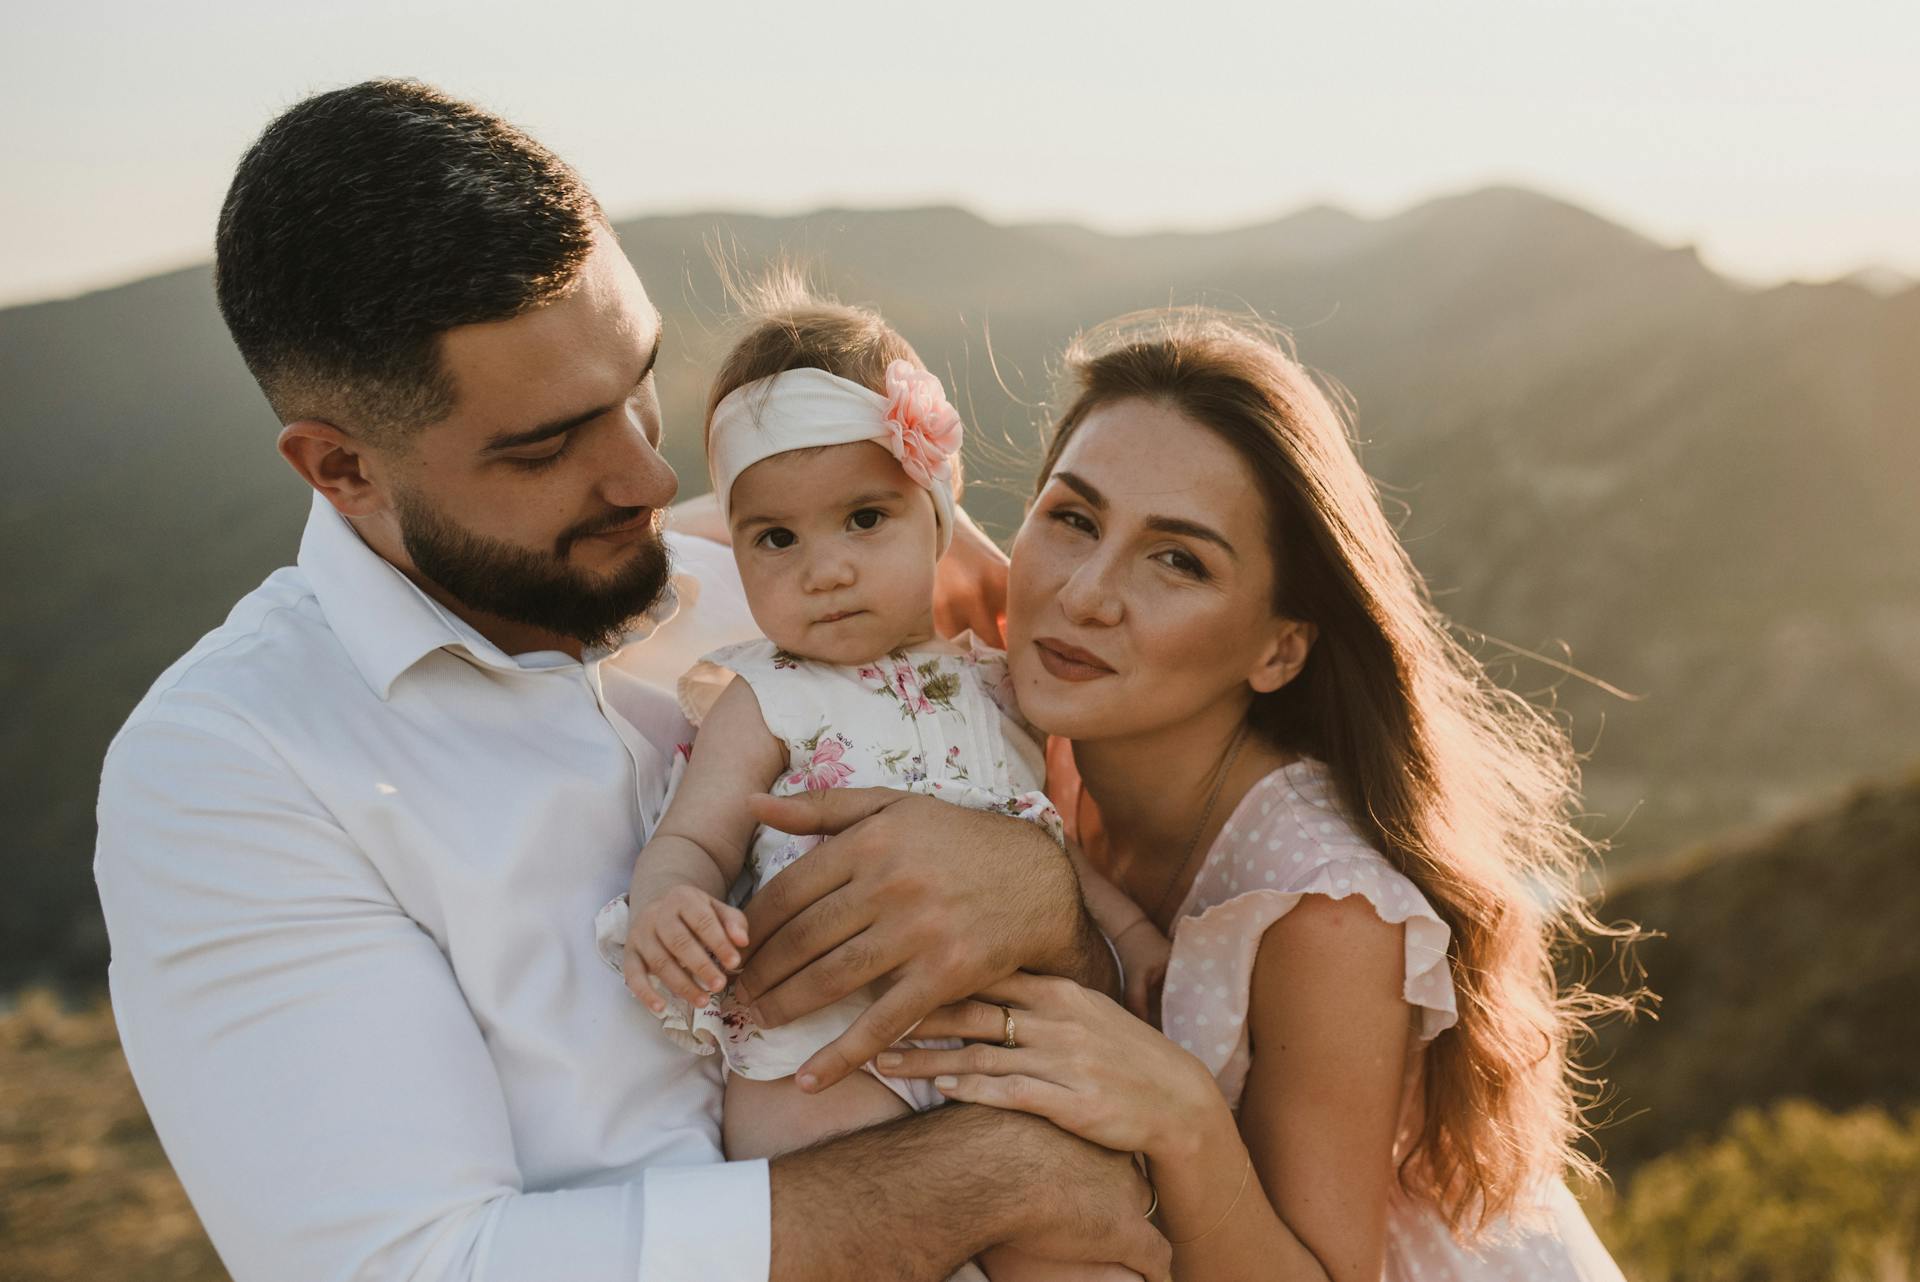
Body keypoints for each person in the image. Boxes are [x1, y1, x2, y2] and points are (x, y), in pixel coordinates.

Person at [91, 79, 1166, 1282]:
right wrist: (987, 1179)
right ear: (341, 466)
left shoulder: (775, 572)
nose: (648, 476)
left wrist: (1044, 902)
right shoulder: (233, 765)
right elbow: (404, 1268)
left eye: (640, 380)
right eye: (549, 444)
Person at [865, 311, 1633, 1280]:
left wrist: (1182, 1114)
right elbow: (742, 534)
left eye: (1178, 559)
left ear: (1280, 648)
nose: (1088, 592)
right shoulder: (1024, 724)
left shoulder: (1326, 910)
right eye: (1073, 517)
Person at [606, 295, 1166, 1281]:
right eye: (776, 538)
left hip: (992, 1048)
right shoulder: (760, 694)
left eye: (865, 519)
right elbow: (698, 834)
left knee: (1089, 1250)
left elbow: (1053, 852)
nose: (825, 569)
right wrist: (670, 897)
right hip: (818, 1061)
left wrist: (1135, 938)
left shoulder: (999, 682)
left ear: (936, 517)